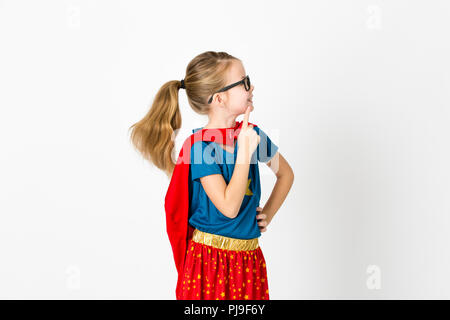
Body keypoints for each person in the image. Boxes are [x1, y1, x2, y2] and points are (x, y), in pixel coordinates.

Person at [129, 51, 294, 300]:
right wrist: (244, 151)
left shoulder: (252, 135)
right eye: (244, 82)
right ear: (220, 98)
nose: (251, 87)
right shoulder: (200, 149)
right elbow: (229, 206)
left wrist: (267, 215)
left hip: (248, 259)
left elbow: (286, 175)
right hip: (209, 263)